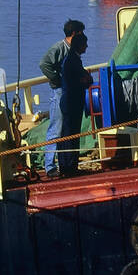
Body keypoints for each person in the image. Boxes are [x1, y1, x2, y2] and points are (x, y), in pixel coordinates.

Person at [39, 19, 85, 177]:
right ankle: (50, 165)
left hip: (68, 93)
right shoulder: (59, 48)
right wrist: (57, 80)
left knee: (67, 129)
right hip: (59, 92)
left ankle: (66, 164)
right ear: (74, 34)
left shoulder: (72, 51)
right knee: (56, 128)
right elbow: (44, 64)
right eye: (81, 33)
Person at [57, 31, 94, 177]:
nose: (87, 46)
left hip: (69, 101)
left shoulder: (70, 59)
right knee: (70, 135)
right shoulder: (74, 61)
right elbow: (83, 79)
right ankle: (69, 167)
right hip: (72, 102)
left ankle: (68, 165)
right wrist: (87, 79)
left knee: (68, 134)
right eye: (84, 44)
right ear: (79, 45)